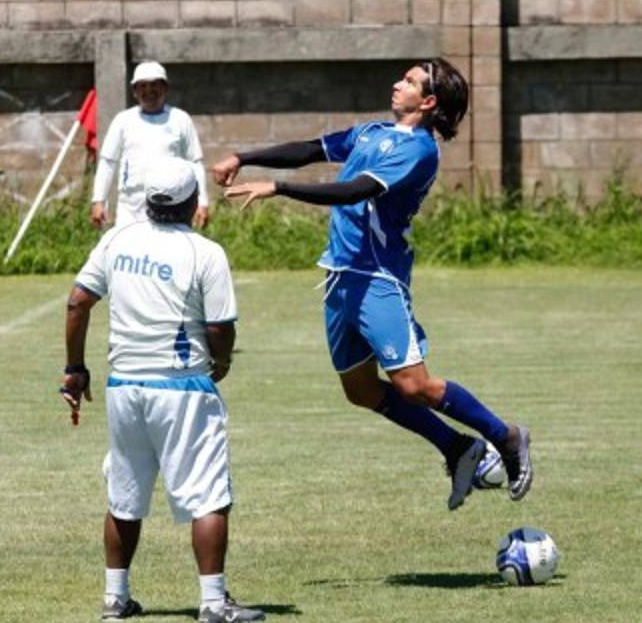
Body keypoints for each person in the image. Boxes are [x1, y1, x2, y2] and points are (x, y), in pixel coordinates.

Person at [212, 58, 533, 511]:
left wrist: (279, 188)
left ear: (428, 101)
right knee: (360, 390)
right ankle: (457, 448)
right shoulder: (372, 133)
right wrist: (243, 158)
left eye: (409, 81)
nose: (396, 84)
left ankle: (507, 436)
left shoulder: (419, 150)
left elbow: (357, 190)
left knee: (414, 385)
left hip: (378, 279)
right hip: (340, 279)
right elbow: (309, 149)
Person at [60, 157, 263, 622]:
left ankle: (115, 598)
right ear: (193, 203)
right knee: (209, 496)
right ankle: (213, 603)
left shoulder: (117, 239)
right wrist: (224, 361)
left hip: (124, 386)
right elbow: (219, 327)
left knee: (125, 496)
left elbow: (77, 302)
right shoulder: (205, 253)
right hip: (183, 386)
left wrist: (75, 368)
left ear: (148, 201)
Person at [90, 61, 211, 230]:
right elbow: (108, 162)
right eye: (143, 86)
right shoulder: (123, 120)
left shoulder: (180, 119)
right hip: (131, 205)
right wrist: (98, 201)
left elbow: (195, 162)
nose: (149, 91)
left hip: (171, 205)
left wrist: (202, 202)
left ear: (165, 88)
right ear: (134, 91)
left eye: (154, 84)